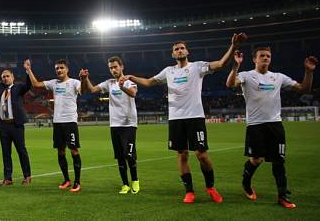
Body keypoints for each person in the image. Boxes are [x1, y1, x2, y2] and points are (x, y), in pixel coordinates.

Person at [125, 33, 247, 203]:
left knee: (202, 155)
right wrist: (131, 77)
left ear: (187, 51)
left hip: (195, 117)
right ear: (173, 54)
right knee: (182, 155)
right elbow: (149, 82)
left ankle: (210, 187)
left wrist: (233, 46)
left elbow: (220, 64)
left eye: (182, 48)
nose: (180, 50)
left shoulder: (197, 67)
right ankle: (189, 191)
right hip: (176, 119)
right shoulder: (169, 71)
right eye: (176, 49)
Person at [226, 47, 316, 208]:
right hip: (255, 125)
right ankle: (246, 183)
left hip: (275, 125)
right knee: (256, 159)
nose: (266, 58)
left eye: (268, 56)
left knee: (279, 161)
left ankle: (282, 196)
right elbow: (230, 83)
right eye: (262, 56)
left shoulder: (278, 77)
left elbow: (304, 88)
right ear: (255, 59)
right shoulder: (246, 75)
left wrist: (308, 72)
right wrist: (236, 66)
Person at [80, 56, 140, 194]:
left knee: (129, 155)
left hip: (129, 124)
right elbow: (93, 90)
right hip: (115, 125)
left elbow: (133, 94)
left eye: (115, 67)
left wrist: (122, 87)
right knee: (119, 157)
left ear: (121, 67)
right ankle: (125, 184)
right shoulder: (109, 83)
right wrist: (85, 78)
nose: (113, 70)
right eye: (111, 68)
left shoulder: (129, 81)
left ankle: (135, 181)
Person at [26, 58, 83, 193]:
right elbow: (35, 84)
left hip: (70, 122)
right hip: (57, 122)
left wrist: (84, 79)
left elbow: (84, 90)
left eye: (61, 68)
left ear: (67, 69)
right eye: (57, 68)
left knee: (74, 150)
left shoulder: (75, 82)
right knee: (61, 151)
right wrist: (28, 69)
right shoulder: (53, 83)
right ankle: (66, 179)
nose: (59, 70)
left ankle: (77, 182)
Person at [0, 54, 32, 186]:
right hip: (3, 125)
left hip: (16, 125)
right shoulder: (0, 88)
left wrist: (27, 70)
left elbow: (29, 85)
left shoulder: (18, 88)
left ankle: (27, 176)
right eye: (3, 77)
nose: (5, 78)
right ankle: (8, 178)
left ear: (12, 77)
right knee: (6, 153)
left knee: (21, 150)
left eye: (7, 76)